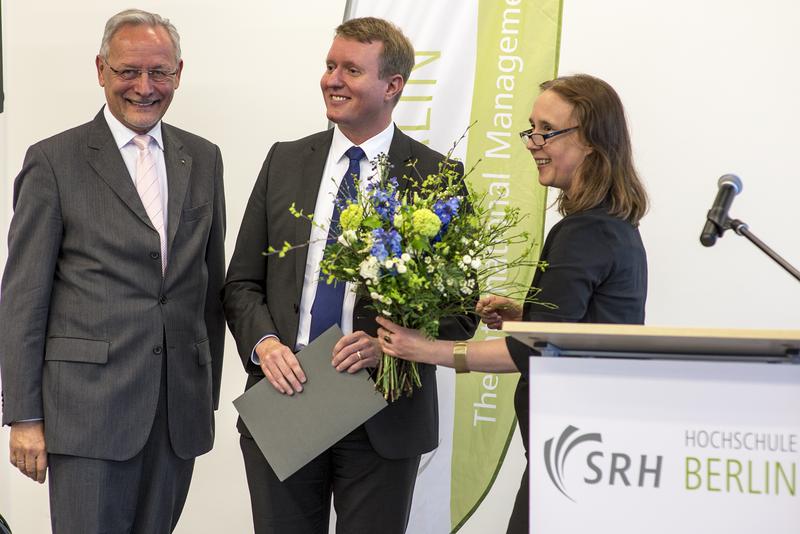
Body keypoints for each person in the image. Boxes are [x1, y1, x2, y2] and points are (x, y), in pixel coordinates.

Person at [222, 17, 477, 534]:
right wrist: (266, 344)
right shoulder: (285, 161)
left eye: (351, 69)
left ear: (392, 86)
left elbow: (463, 312)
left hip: (383, 411)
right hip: (286, 398)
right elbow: (242, 282)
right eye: (330, 65)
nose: (332, 79)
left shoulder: (435, 179)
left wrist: (391, 344)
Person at [376, 73, 648, 534]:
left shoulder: (584, 232)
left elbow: (534, 352)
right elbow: (576, 331)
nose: (532, 142)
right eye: (530, 128)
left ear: (590, 143)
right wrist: (527, 318)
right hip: (589, 450)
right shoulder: (610, 224)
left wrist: (424, 349)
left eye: (547, 130)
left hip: (575, 452)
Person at [0, 9, 226, 533]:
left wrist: (203, 391)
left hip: (177, 414)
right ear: (101, 70)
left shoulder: (205, 158)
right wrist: (25, 417)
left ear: (179, 72)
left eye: (159, 73)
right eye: (128, 71)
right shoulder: (53, 161)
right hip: (86, 416)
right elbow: (22, 298)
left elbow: (209, 286)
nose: (144, 87)